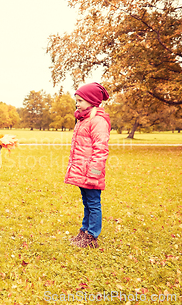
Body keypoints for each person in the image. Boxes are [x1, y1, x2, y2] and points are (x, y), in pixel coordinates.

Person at [65, 82, 111, 249]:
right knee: (87, 202)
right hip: (83, 171)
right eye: (76, 100)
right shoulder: (83, 120)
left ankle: (92, 236)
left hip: (91, 172)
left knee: (93, 203)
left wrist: (94, 172)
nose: (77, 104)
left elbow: (101, 149)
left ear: (92, 101)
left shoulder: (97, 121)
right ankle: (84, 231)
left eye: (80, 100)